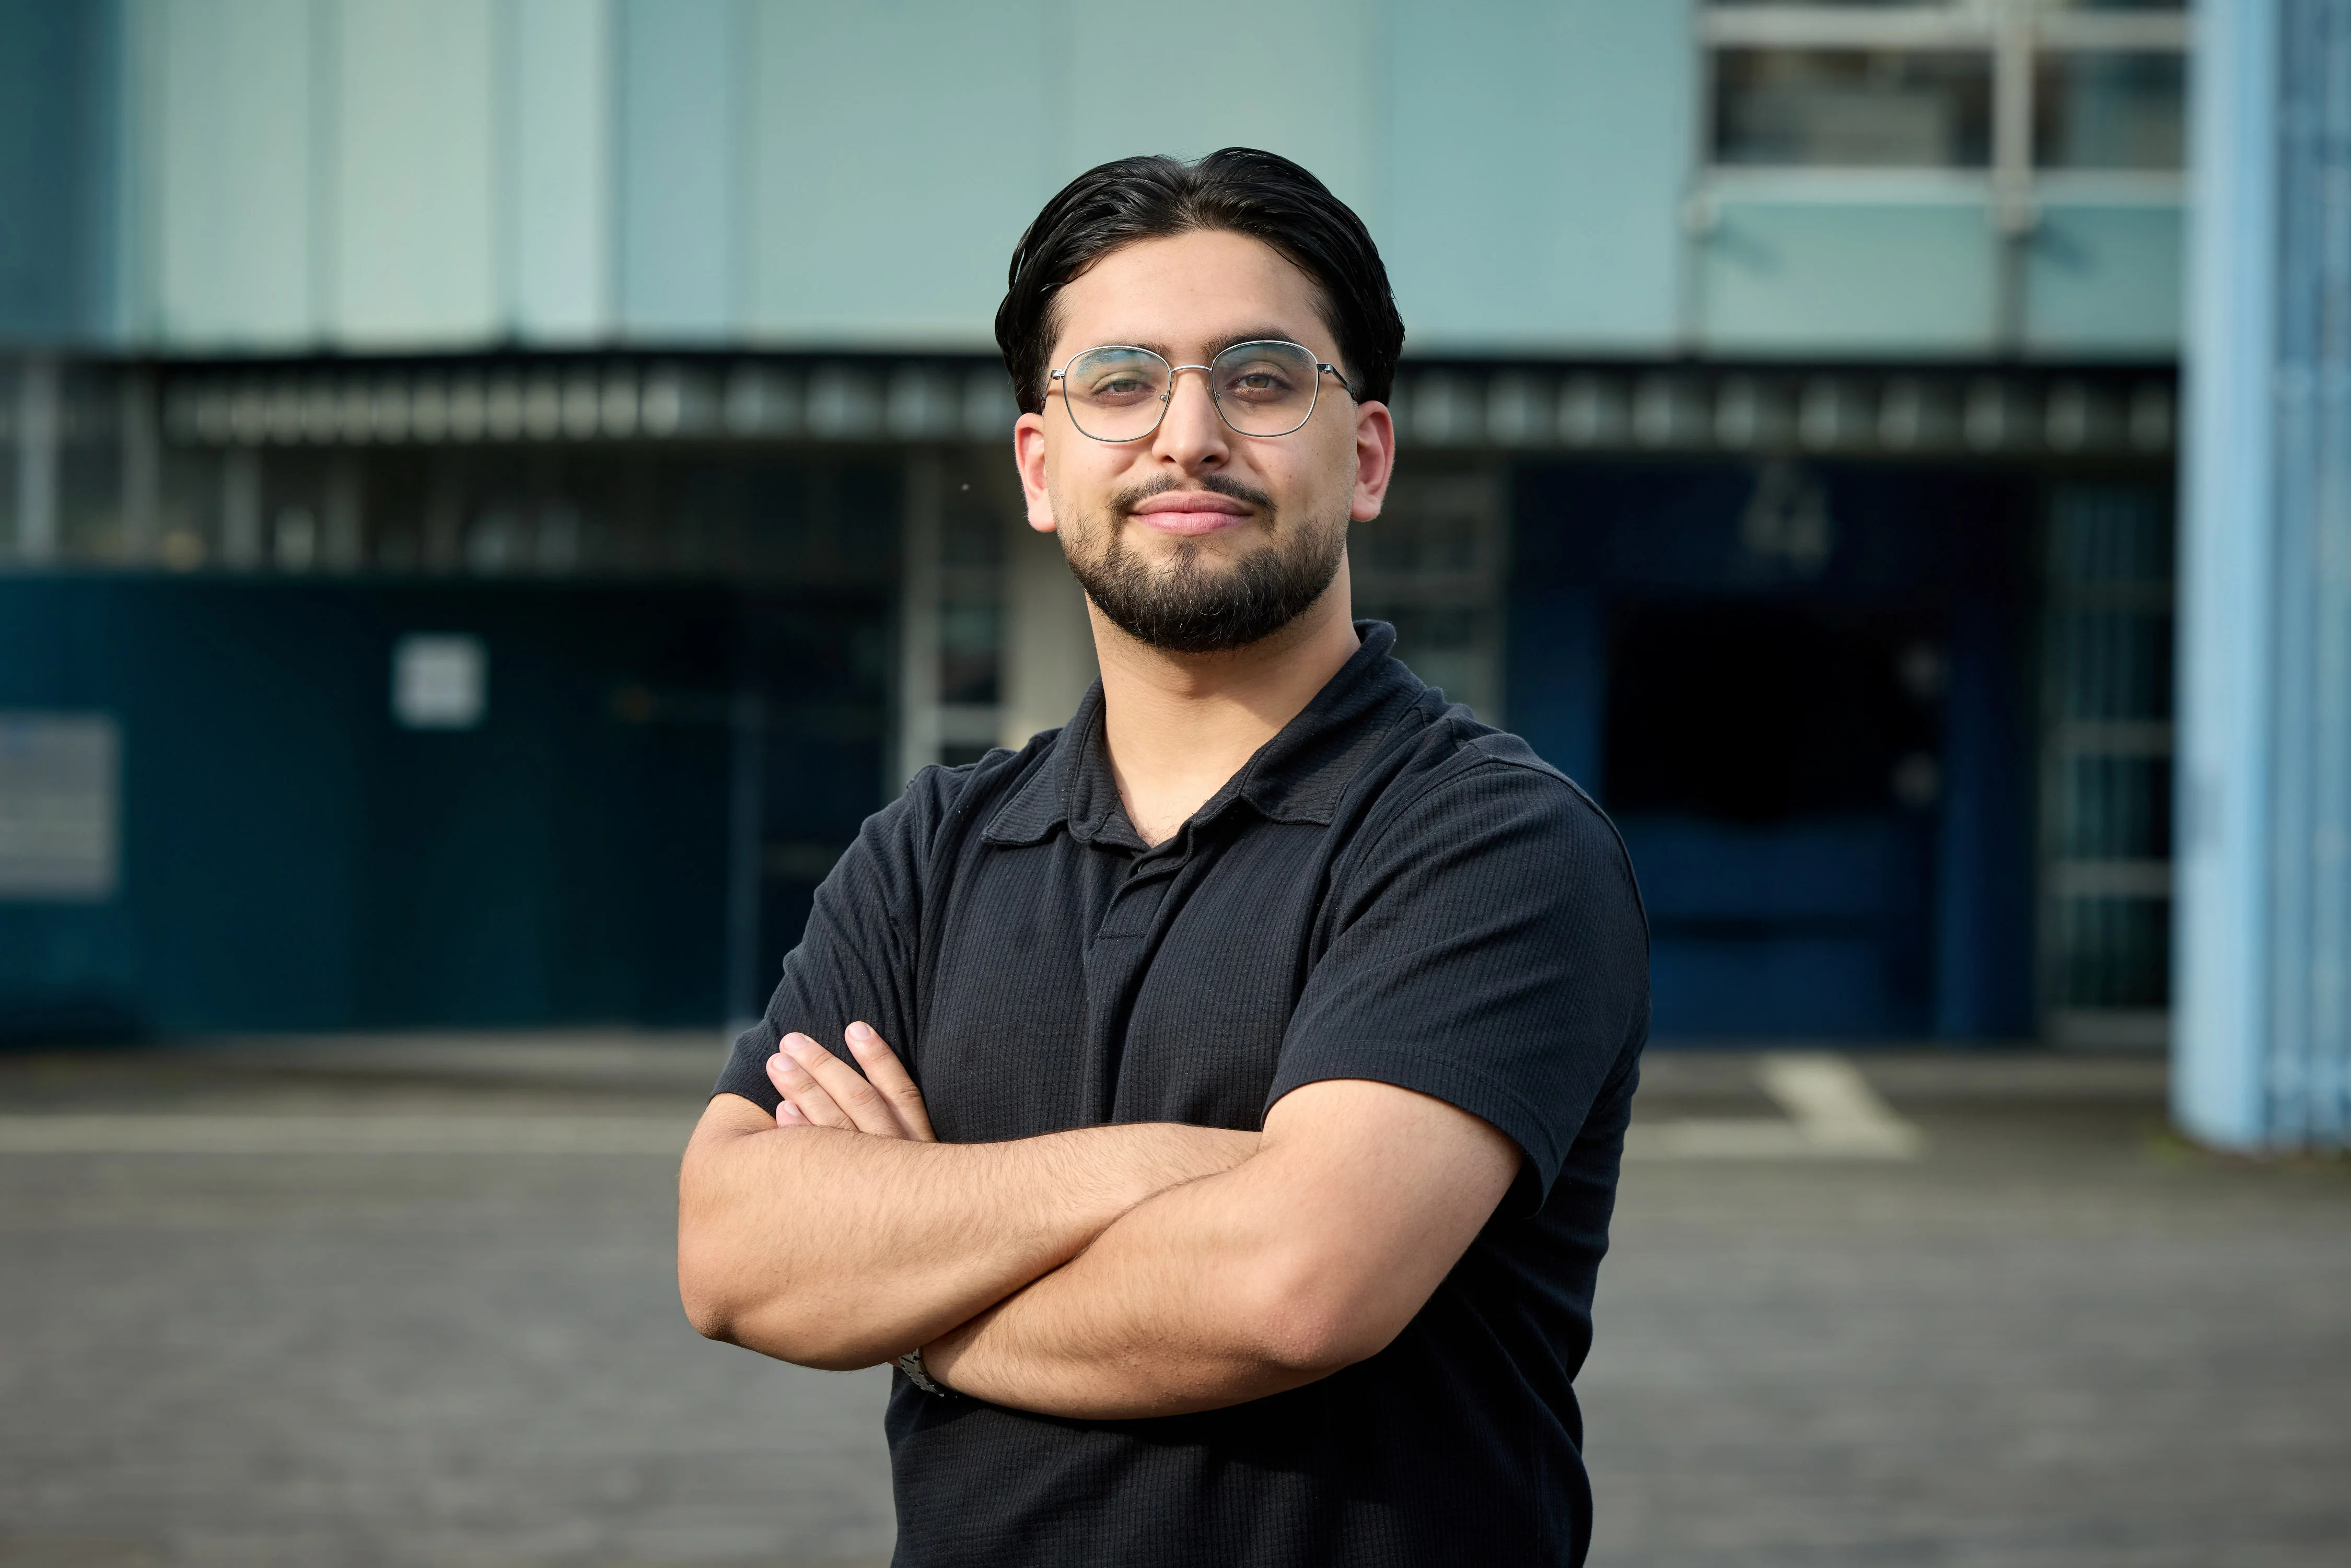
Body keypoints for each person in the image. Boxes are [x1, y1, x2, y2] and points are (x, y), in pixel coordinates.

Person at [677, 147, 1648, 1568]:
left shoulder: (1489, 842)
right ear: (1037, 463)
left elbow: (1289, 1288)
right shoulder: (931, 851)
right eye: (1119, 382)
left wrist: (911, 1287)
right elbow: (731, 1251)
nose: (1185, 435)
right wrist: (1158, 1170)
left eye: (1260, 379)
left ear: (1364, 455)